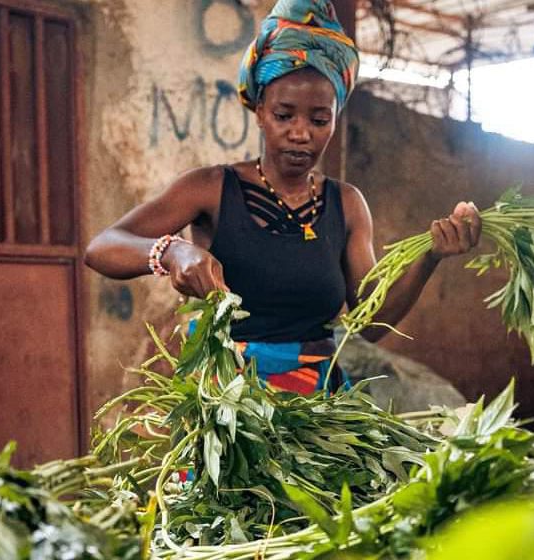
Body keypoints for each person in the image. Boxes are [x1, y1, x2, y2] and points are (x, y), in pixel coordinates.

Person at [84, 0, 482, 395]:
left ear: (334, 118)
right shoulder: (209, 188)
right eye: (284, 115)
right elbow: (102, 248)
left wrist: (429, 257)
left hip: (314, 413)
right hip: (227, 406)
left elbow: (370, 325)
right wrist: (172, 253)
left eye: (319, 119)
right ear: (259, 111)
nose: (300, 132)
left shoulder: (346, 204)